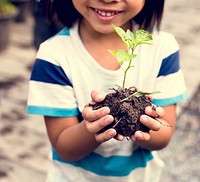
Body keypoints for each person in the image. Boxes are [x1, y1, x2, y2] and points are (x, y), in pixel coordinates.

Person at [26, 0, 188, 181]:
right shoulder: (53, 56)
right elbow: (64, 147)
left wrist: (141, 123)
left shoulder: (162, 48)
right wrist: (93, 127)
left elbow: (164, 136)